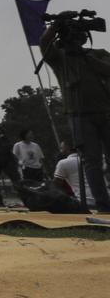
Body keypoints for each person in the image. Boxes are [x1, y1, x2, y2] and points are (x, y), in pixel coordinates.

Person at [41, 14, 110, 212]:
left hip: (105, 111)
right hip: (79, 115)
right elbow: (44, 43)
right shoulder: (60, 59)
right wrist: (56, 24)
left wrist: (86, 57)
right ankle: (103, 204)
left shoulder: (98, 54)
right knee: (91, 161)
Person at [53, 141, 96, 206]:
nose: (60, 150)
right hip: (105, 197)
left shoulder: (63, 163)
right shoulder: (90, 158)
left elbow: (56, 184)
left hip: (87, 201)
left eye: (61, 148)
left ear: (67, 148)